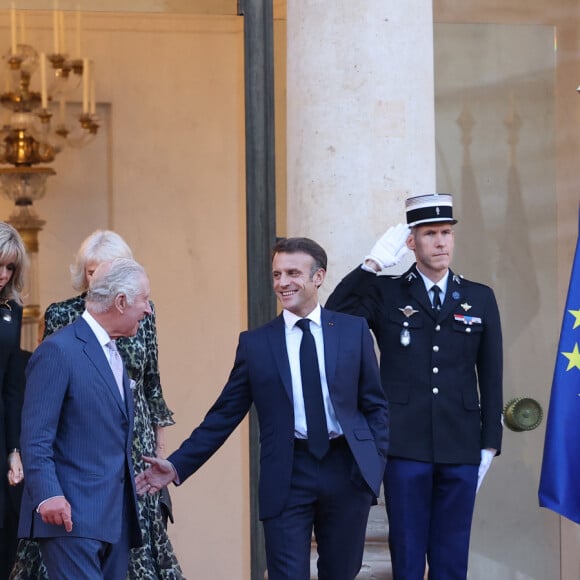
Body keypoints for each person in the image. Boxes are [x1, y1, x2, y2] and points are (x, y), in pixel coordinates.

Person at [136, 237, 389, 580]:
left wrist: (374, 463)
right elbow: (223, 415)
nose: (282, 282)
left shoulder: (352, 331)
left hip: (347, 470)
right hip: (287, 473)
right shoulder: (256, 344)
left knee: (342, 573)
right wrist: (177, 465)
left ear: (319, 277)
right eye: (277, 274)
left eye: (292, 273)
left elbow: (374, 404)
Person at [326, 193, 503, 580]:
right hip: (404, 443)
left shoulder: (479, 297)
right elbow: (334, 318)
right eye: (430, 234)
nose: (441, 242)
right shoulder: (386, 292)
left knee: (452, 554)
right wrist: (371, 266)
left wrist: (490, 442)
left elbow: (490, 374)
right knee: (406, 553)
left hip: (461, 443)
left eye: (446, 233)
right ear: (411, 242)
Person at [11, 230, 182, 580]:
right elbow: (36, 436)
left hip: (114, 518)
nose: (148, 310)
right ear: (120, 302)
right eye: (143, 301)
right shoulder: (58, 350)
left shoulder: (115, 352)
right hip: (70, 515)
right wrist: (48, 496)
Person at [0, 223, 27, 580]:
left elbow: (11, 387)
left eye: (10, 268)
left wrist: (14, 451)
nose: (3, 275)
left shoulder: (11, 311)